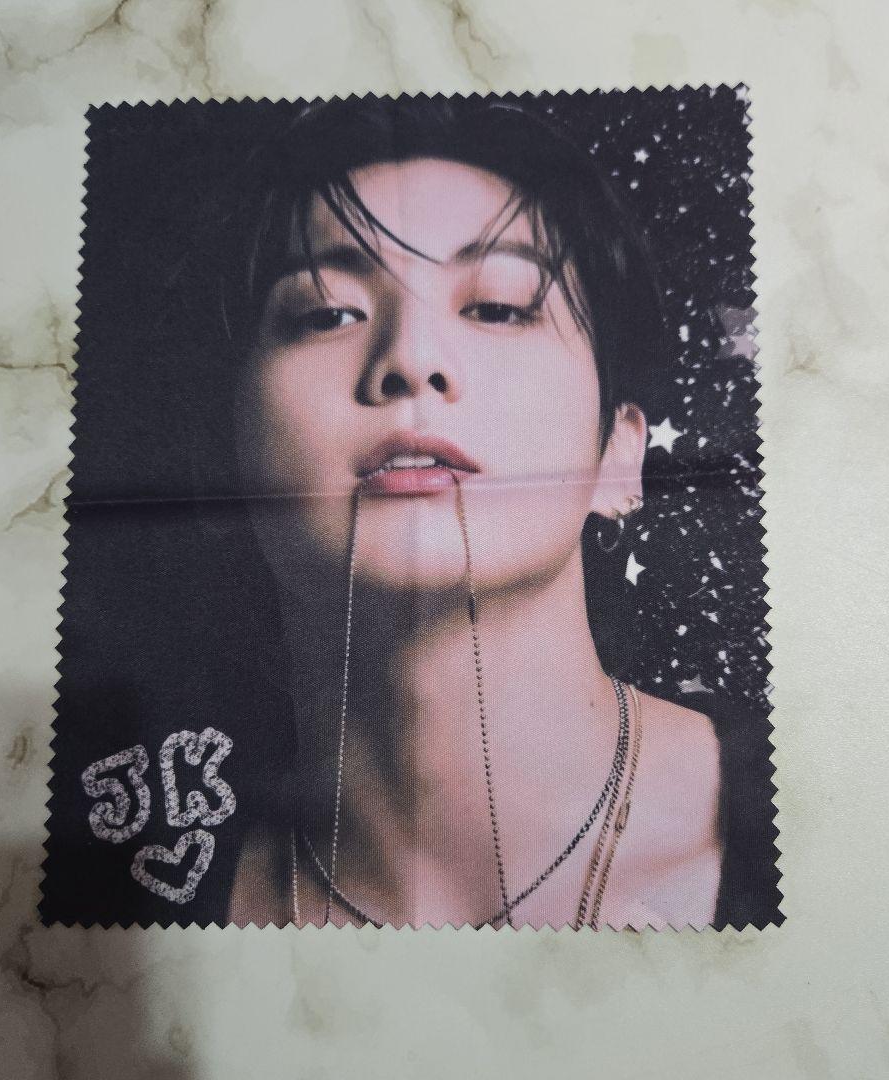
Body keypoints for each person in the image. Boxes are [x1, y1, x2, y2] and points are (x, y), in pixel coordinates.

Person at [207, 96, 759, 930]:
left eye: (498, 306)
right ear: (229, 454)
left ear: (620, 454)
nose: (412, 359)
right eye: (326, 312)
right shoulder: (141, 879)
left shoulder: (822, 809)